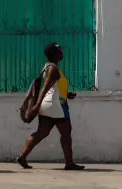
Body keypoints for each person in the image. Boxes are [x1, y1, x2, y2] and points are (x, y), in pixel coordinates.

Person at [17, 42, 84, 170]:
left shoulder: (48, 67)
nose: (62, 53)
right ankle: (69, 163)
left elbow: (54, 87)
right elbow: (45, 87)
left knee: (42, 133)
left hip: (49, 104)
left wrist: (67, 94)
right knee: (66, 132)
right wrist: (36, 105)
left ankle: (22, 156)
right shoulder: (53, 68)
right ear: (53, 54)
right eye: (59, 51)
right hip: (56, 105)